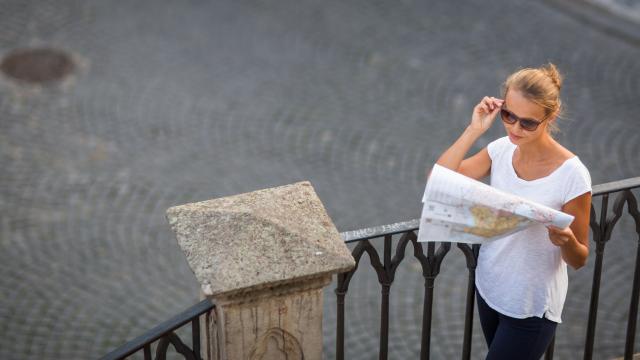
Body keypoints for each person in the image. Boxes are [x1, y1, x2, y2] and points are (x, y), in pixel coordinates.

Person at [433, 63, 592, 360]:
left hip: (530, 307)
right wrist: (474, 129)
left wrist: (567, 241)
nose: (515, 129)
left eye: (528, 123)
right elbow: (439, 181)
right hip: (490, 288)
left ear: (551, 116)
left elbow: (580, 258)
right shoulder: (501, 149)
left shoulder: (573, 175)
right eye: (508, 116)